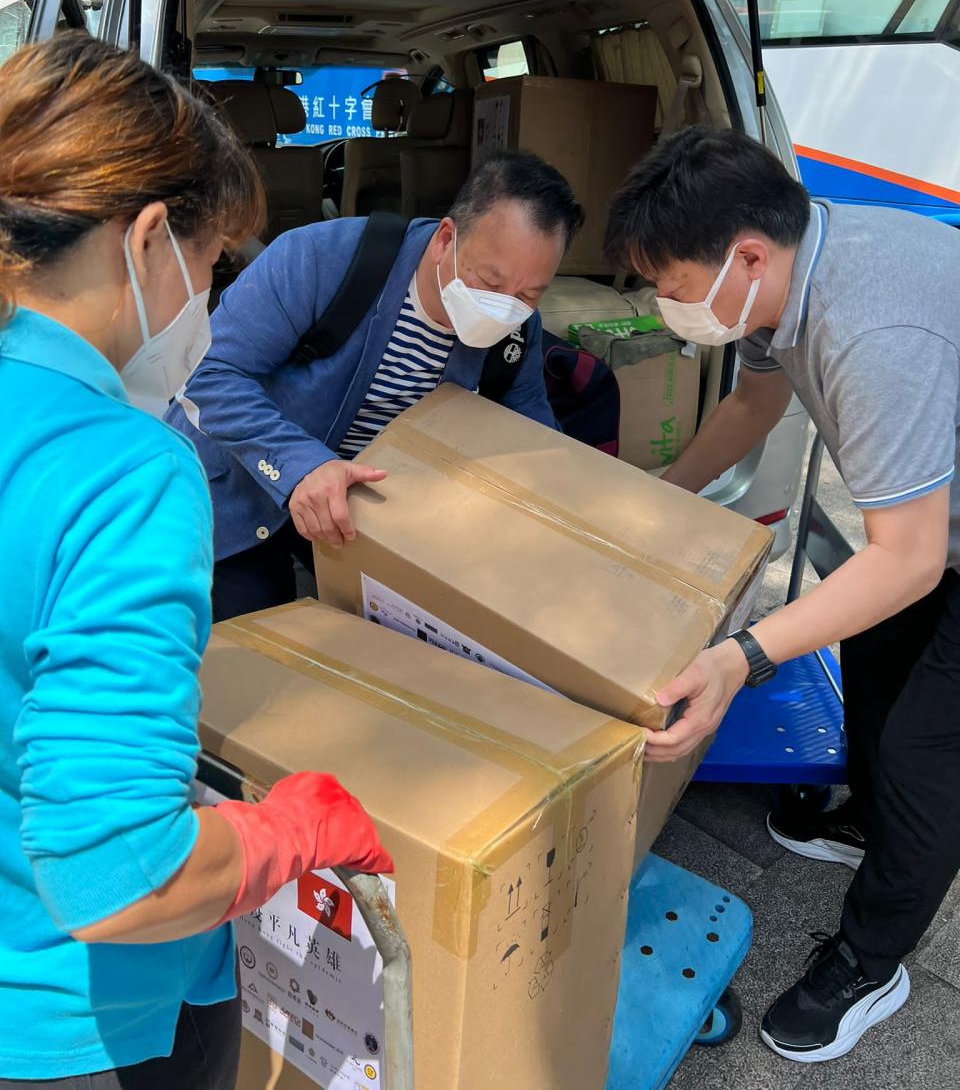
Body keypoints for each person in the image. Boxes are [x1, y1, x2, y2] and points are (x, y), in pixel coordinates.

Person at [0, 34, 391, 1089]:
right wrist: (288, 832)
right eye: (212, 263)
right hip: (65, 1022)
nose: (207, 302)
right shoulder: (123, 470)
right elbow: (123, 875)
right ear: (146, 239)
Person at [604, 126, 960, 1064]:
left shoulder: (873, 331)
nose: (665, 306)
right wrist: (662, 500)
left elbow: (910, 561)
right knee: (876, 666)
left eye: (671, 285)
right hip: (929, 518)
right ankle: (872, 822)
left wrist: (742, 656)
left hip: (932, 537)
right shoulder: (781, 284)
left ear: (748, 256)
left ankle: (872, 960)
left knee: (928, 754)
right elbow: (754, 405)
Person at [167, 151, 583, 621]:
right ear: (446, 238)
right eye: (490, 280)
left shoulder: (515, 335)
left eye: (528, 295)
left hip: (362, 515)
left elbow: (533, 442)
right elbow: (209, 376)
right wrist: (302, 467)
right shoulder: (322, 259)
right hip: (244, 486)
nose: (503, 307)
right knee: (257, 631)